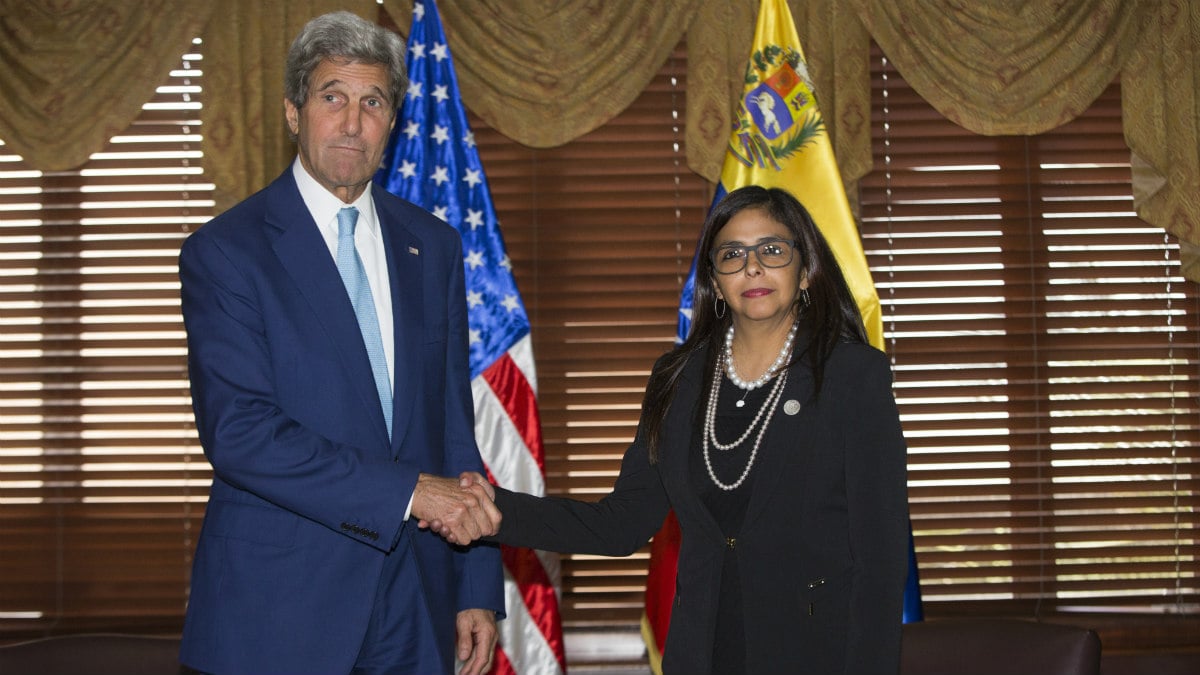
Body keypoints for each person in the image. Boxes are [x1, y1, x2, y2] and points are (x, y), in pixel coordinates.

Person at [450, 185, 909, 674]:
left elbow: (879, 559)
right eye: (732, 254)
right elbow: (620, 523)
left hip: (818, 653)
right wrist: (493, 508)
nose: (752, 267)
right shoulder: (679, 377)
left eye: (772, 250)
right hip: (702, 652)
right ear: (714, 279)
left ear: (805, 270)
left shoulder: (852, 375)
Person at [177, 12, 503, 675]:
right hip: (279, 609)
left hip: (416, 602)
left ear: (393, 121)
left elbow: (451, 427)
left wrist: (475, 586)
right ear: (294, 112)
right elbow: (240, 431)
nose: (352, 123)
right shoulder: (227, 251)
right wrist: (411, 491)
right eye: (333, 97)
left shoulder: (432, 245)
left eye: (372, 102)